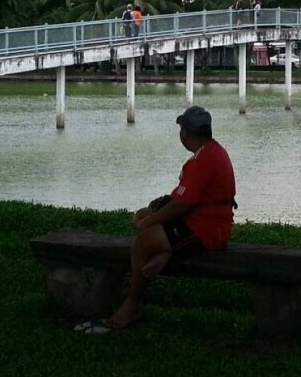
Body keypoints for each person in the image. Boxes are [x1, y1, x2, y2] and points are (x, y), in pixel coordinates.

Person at [81, 106, 236, 333]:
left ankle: (131, 306)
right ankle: (166, 251)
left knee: (143, 242)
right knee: (145, 218)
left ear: (185, 133)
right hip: (196, 220)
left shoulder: (204, 160)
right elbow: (183, 199)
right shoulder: (209, 152)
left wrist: (151, 222)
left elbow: (182, 204)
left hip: (207, 230)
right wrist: (151, 215)